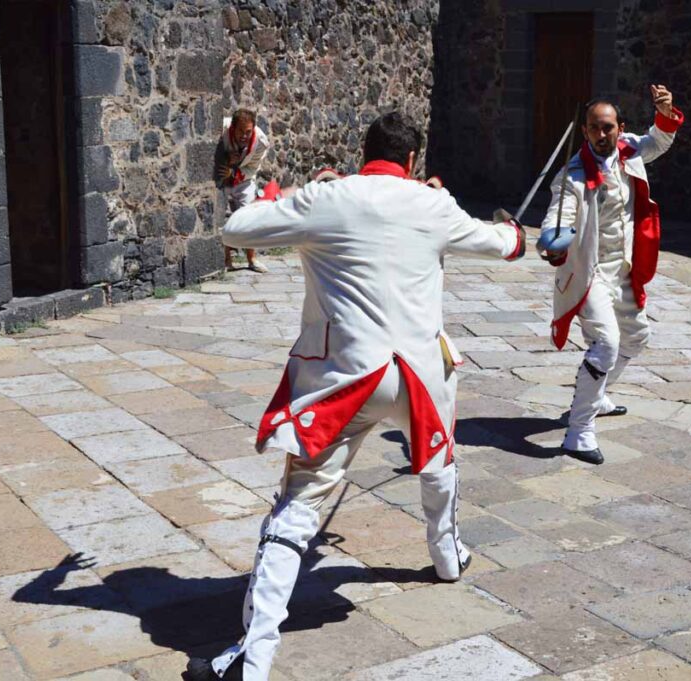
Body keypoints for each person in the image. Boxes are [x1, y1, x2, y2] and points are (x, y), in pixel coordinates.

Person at [187, 111, 525, 681]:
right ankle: (447, 558)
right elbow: (505, 246)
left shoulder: (329, 196)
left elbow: (237, 229)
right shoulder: (433, 203)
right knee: (438, 463)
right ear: (413, 160)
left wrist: (287, 191)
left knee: (298, 503)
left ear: (362, 151)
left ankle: (253, 658)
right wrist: (512, 227)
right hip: (420, 374)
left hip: (345, 376)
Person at [544, 85, 683, 465]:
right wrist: (553, 239)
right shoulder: (572, 174)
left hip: (622, 270)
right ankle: (578, 431)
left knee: (637, 338)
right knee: (605, 344)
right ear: (585, 130)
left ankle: (599, 393)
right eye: (593, 128)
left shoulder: (631, 151)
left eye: (607, 127)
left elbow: (660, 140)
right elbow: (561, 210)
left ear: (619, 128)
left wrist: (665, 111)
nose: (601, 134)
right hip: (590, 275)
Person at [217, 108, 270, 272]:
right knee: (221, 217)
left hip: (244, 179)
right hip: (221, 176)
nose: (244, 136)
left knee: (249, 217)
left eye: (248, 131)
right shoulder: (220, 129)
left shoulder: (260, 142)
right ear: (233, 127)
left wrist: (236, 172)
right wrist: (226, 161)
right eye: (241, 131)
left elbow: (253, 167)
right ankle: (227, 260)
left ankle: (251, 259)